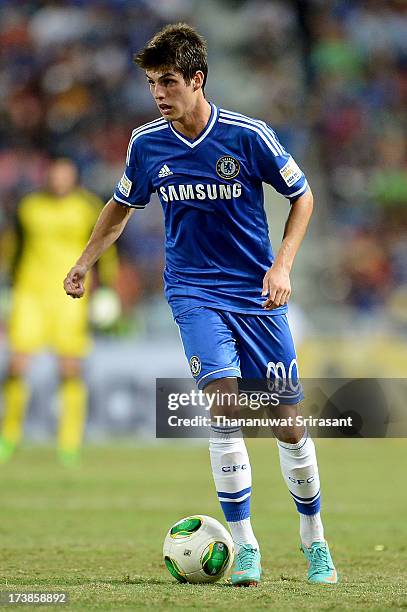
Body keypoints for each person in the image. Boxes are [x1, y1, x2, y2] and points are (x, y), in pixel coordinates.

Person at [64, 24, 338, 585]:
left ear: (197, 79)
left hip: (257, 294)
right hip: (192, 290)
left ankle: (314, 539)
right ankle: (245, 546)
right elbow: (120, 207)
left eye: (168, 81)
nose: (159, 93)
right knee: (224, 410)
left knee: (287, 423)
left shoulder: (248, 136)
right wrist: (84, 261)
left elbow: (302, 196)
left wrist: (282, 264)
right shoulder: (146, 144)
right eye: (151, 83)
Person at [0, 158, 116, 466]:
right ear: (47, 174)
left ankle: (69, 443)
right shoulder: (28, 207)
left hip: (71, 298)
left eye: (65, 173)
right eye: (54, 173)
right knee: (16, 365)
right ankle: (8, 437)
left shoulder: (88, 207)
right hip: (30, 295)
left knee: (69, 369)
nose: (59, 179)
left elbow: (104, 246)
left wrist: (106, 289)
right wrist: (8, 290)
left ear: (74, 176)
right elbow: (15, 250)